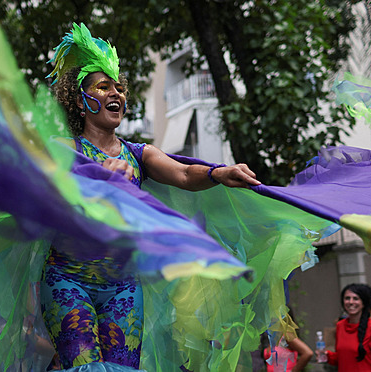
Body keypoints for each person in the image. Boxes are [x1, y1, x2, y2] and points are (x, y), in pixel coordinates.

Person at [39, 23, 261, 370]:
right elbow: (50, 186)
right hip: (68, 279)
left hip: (123, 286)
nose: (117, 94)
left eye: (120, 88)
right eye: (104, 87)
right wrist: (98, 176)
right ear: (82, 102)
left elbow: (186, 174)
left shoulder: (138, 154)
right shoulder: (64, 150)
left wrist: (219, 172)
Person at [320, 283, 371, 372]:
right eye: (347, 298)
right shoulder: (340, 326)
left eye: (356, 298)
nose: (351, 302)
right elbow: (342, 358)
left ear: (363, 303)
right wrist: (326, 355)